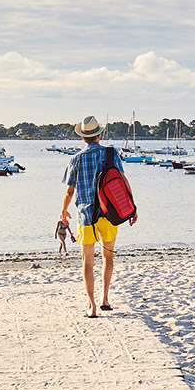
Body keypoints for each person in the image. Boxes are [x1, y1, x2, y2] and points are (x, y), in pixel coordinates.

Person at [60, 115, 136, 317]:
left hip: (86, 216)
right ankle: (105, 299)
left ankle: (92, 306)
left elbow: (69, 191)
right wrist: (132, 207)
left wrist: (63, 212)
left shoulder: (76, 159)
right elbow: (122, 180)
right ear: (99, 135)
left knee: (87, 262)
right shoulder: (111, 154)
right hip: (109, 214)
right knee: (108, 257)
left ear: (83, 137)